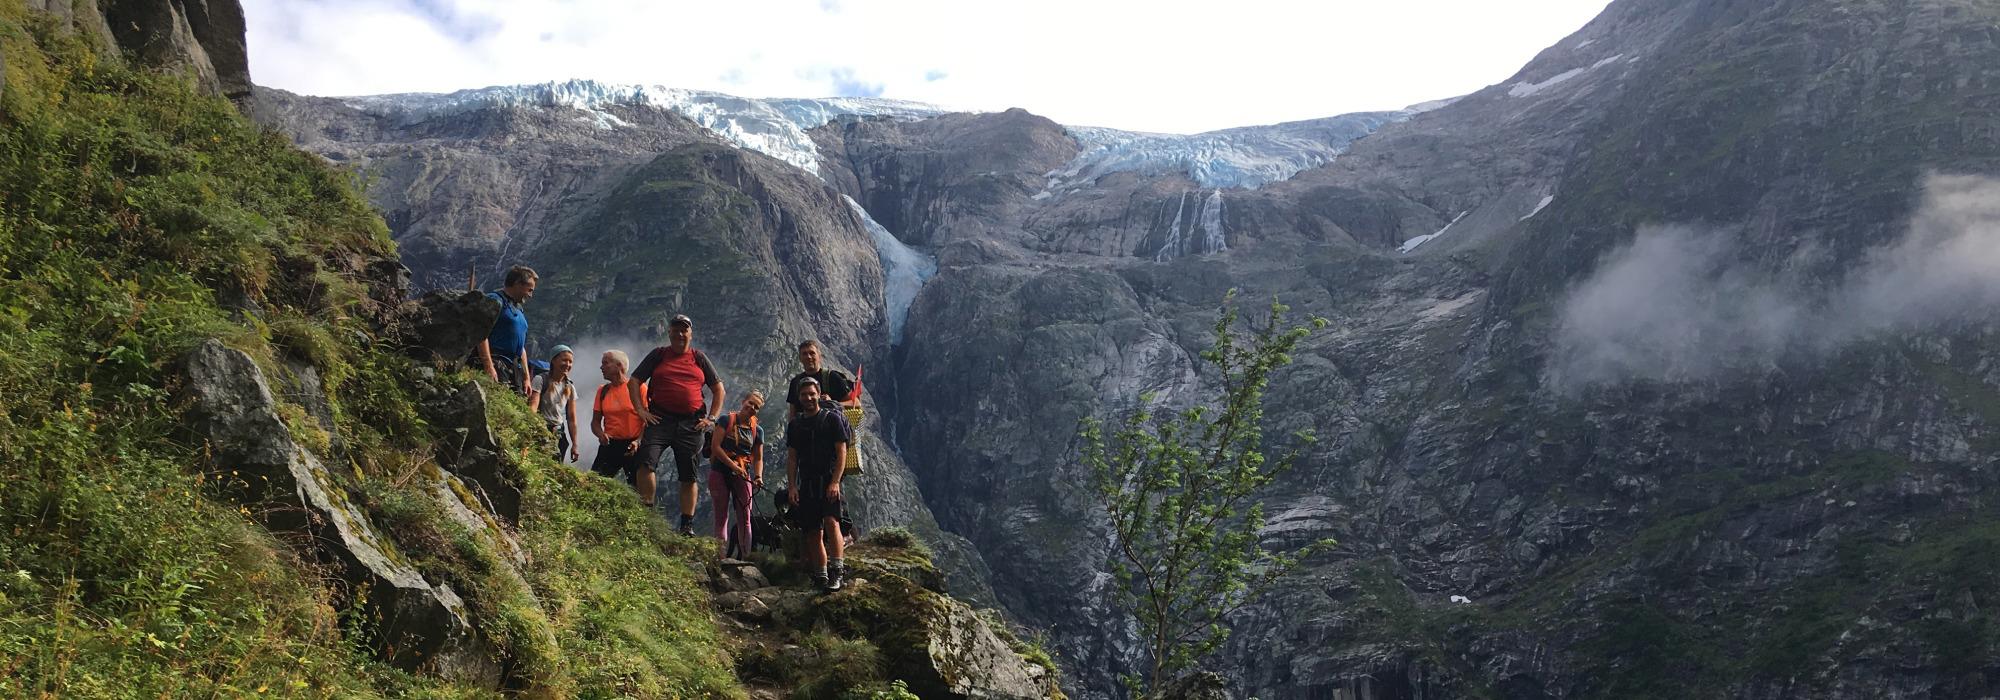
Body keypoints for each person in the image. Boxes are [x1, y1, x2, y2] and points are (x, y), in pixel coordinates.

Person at [631, 314, 726, 536]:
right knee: (646, 462)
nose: (680, 334)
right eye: (676, 329)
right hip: (659, 418)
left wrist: (711, 418)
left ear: (690, 334)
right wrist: (640, 410)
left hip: (692, 423)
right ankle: (647, 515)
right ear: (669, 332)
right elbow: (634, 380)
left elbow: (718, 388)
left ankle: (686, 525)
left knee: (688, 474)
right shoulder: (658, 355)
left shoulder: (699, 358)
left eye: (684, 330)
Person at [785, 377, 852, 591]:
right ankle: (821, 575)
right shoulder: (795, 425)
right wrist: (792, 486)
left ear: (818, 394)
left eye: (812, 394)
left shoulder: (832, 419)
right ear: (799, 398)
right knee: (813, 531)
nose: (808, 398)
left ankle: (837, 571)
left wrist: (835, 482)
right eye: (804, 395)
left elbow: (842, 451)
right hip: (807, 482)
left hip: (828, 479)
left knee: (832, 523)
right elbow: (792, 457)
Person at [591, 350, 653, 504]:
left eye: (605, 363)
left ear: (619, 366)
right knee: (595, 484)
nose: (601, 367)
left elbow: (648, 419)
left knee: (637, 489)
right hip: (610, 443)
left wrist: (638, 441)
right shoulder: (603, 390)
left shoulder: (639, 388)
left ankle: (641, 523)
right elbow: (595, 422)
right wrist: (600, 434)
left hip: (633, 446)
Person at [708, 391, 765, 560]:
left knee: (745, 517)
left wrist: (758, 476)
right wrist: (733, 465)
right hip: (720, 471)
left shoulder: (758, 431)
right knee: (721, 516)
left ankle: (745, 558)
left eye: (757, 407)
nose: (752, 408)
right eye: (750, 403)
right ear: (743, 401)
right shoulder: (726, 420)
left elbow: (759, 458)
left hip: (742, 474)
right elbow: (715, 447)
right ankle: (720, 558)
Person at [478, 266, 536, 396]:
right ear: (517, 284)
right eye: (529, 290)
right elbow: (481, 333)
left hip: (515, 368)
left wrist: (526, 378)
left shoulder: (518, 309)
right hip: (497, 362)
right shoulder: (495, 300)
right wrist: (488, 365)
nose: (530, 295)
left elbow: (521, 347)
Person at [785, 340, 858, 420]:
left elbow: (856, 403)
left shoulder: (832, 377)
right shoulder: (795, 382)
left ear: (819, 356)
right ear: (800, 358)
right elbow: (792, 414)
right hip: (804, 430)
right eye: (804, 354)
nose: (808, 357)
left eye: (812, 353)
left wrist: (834, 404)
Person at [533, 345, 579, 463]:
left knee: (555, 466)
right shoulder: (540, 379)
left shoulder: (569, 386)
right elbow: (533, 406)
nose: (567, 364)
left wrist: (575, 444)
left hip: (559, 432)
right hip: (541, 428)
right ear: (553, 360)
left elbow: (572, 418)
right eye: (564, 360)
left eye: (570, 362)